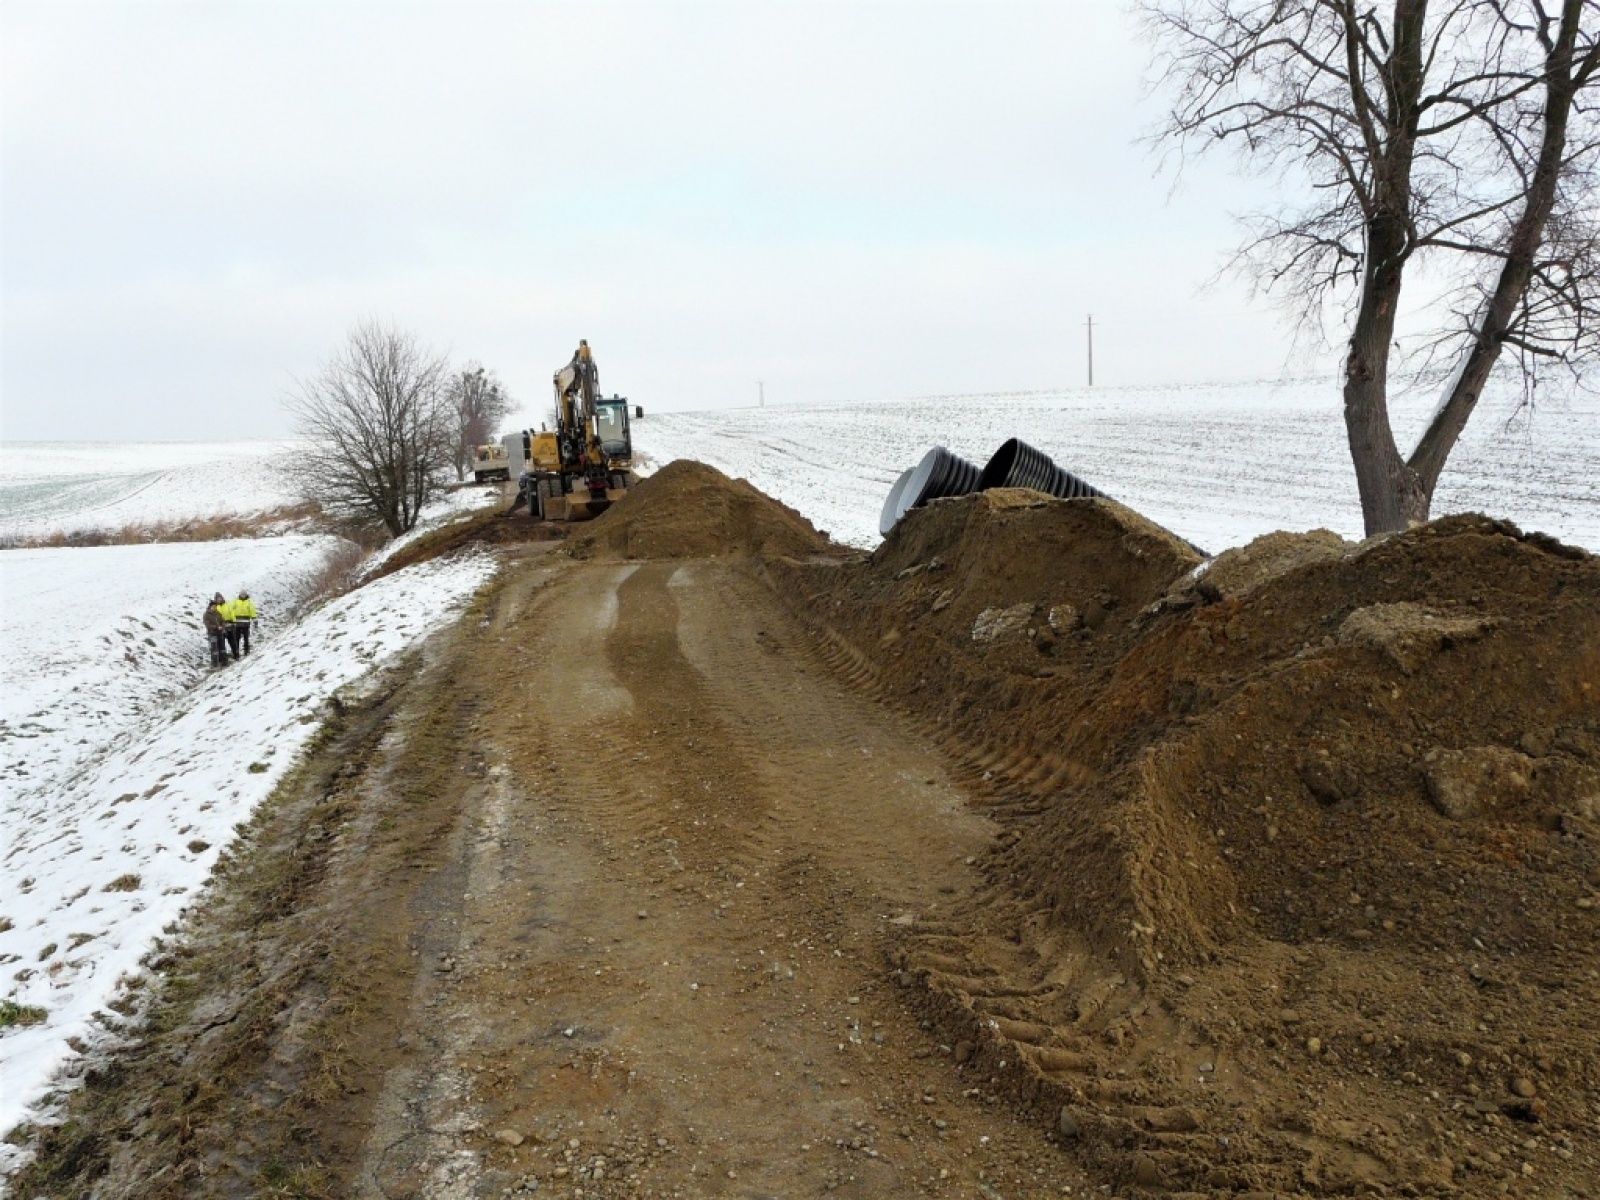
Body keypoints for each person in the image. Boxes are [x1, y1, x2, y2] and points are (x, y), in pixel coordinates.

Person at [203, 595, 230, 667]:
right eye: (213, 606)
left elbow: (222, 621)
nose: (214, 608)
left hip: (220, 633)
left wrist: (222, 626)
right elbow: (207, 625)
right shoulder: (206, 614)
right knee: (214, 649)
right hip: (212, 633)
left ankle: (224, 661)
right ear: (210, 607)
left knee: (222, 647)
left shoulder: (218, 613)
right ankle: (215, 663)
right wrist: (216, 627)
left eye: (215, 606)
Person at [232, 590, 258, 656]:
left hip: (246, 623)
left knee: (246, 637)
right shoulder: (235, 601)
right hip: (237, 623)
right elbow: (231, 610)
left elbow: (252, 610)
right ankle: (236, 651)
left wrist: (254, 619)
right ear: (240, 595)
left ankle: (246, 650)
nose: (243, 595)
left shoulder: (249, 602)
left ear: (246, 595)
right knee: (237, 638)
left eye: (244, 594)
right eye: (242, 594)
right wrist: (232, 619)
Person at [218, 593, 241, 661]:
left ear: (222, 598)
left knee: (232, 641)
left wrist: (234, 621)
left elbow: (232, 612)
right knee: (222, 643)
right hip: (221, 626)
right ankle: (223, 658)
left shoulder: (228, 604)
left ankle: (236, 655)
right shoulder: (216, 606)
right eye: (217, 599)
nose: (219, 600)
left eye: (220, 598)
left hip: (229, 624)